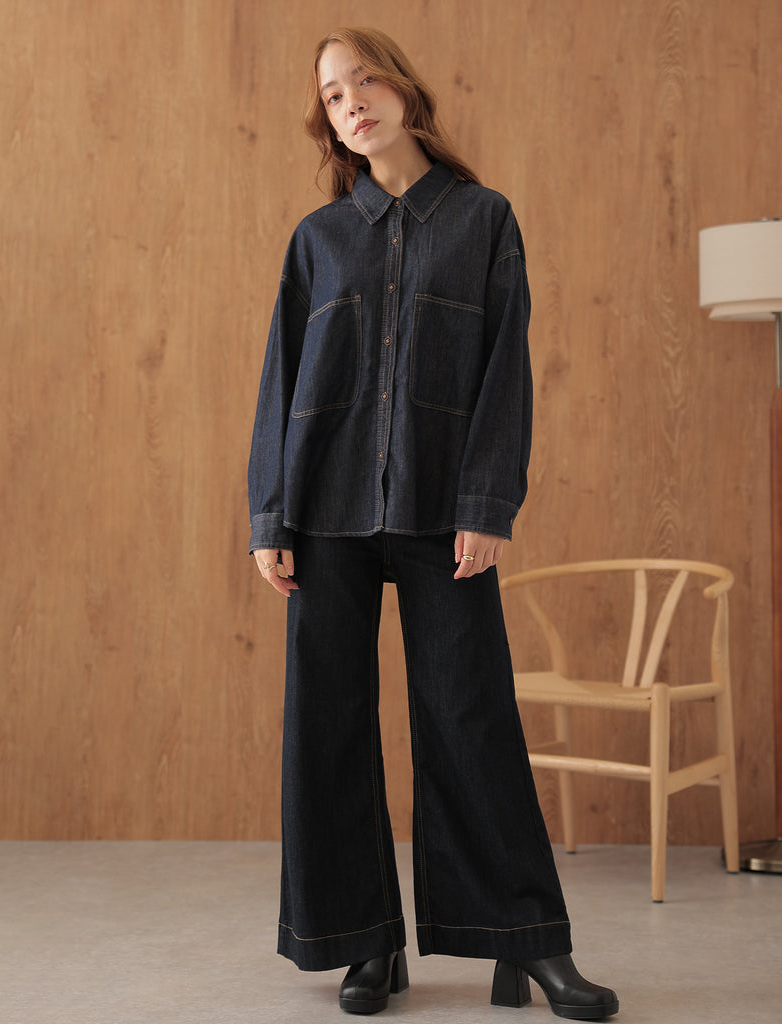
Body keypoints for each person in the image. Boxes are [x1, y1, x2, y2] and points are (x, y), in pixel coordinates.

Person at [248, 26, 618, 1019]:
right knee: (325, 723)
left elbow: (505, 375)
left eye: (363, 80)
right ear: (328, 123)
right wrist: (269, 513)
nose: (352, 103)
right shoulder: (318, 239)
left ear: (405, 89)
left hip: (441, 510)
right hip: (323, 515)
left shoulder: (482, 220)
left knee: (468, 716)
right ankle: (363, 941)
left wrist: (486, 502)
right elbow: (281, 378)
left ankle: (526, 943)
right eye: (333, 96)